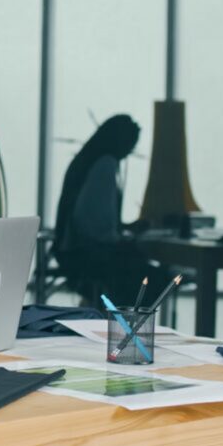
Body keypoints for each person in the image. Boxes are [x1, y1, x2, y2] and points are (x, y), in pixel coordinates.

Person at [53, 114, 167, 304]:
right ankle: (124, 326)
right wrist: (121, 238)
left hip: (70, 251)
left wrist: (123, 228)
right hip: (87, 253)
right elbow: (94, 225)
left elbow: (88, 213)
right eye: (131, 144)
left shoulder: (85, 160)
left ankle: (99, 312)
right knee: (153, 279)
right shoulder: (105, 165)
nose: (130, 151)